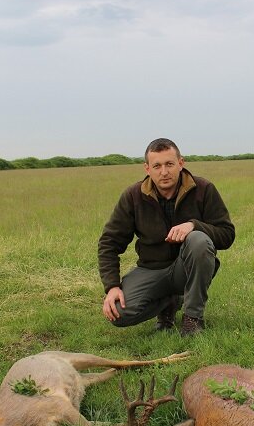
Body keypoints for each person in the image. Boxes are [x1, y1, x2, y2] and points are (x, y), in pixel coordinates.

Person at [98, 138, 235, 336]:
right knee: (119, 314)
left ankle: (192, 319)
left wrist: (194, 225)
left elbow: (227, 234)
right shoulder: (133, 196)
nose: (164, 172)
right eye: (157, 166)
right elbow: (109, 243)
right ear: (147, 168)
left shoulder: (204, 189)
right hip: (151, 269)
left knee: (198, 240)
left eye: (169, 164)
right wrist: (111, 287)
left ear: (181, 163)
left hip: (186, 269)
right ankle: (169, 302)